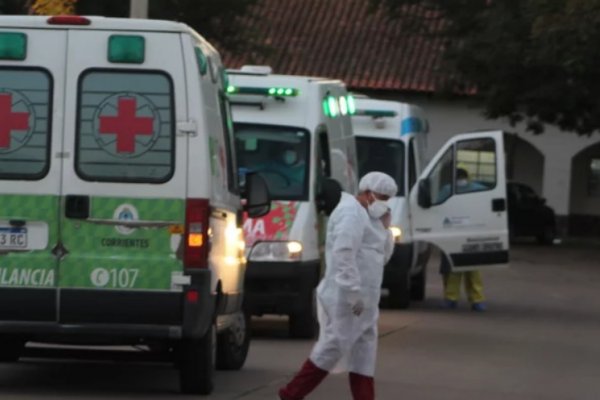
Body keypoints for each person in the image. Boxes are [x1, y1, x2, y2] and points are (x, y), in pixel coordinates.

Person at [278, 171, 398, 400]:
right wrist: (353, 293)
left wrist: (386, 229)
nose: (385, 204)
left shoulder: (372, 218)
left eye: (388, 199)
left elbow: (382, 258)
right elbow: (344, 254)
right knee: (332, 347)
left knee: (364, 356)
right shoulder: (350, 213)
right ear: (368, 193)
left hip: (367, 302)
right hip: (347, 299)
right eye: (382, 197)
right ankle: (289, 395)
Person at [440, 168, 487, 312]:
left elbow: (440, 207)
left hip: (454, 234)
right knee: (473, 271)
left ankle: (451, 299)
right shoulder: (478, 190)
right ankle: (476, 300)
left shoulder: (448, 189)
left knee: (454, 270)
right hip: (472, 234)